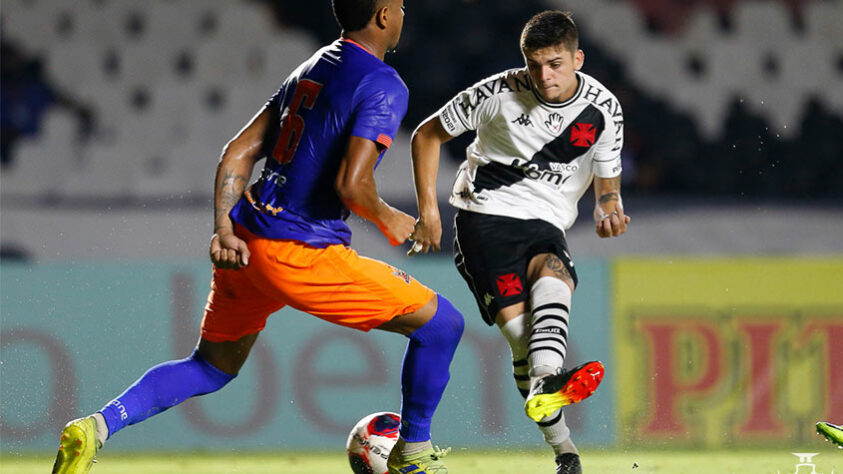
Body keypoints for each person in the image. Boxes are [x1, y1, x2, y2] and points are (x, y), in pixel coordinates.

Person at [51, 1, 463, 473]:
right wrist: (389, 216)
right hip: (300, 250)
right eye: (402, 5)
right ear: (385, 15)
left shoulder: (312, 67)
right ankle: (412, 456)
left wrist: (223, 229)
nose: (405, 14)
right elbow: (353, 184)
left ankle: (97, 426)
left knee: (211, 366)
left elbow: (238, 152)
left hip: (245, 238)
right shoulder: (384, 83)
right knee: (443, 325)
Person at [407, 10, 628, 474]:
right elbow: (426, 135)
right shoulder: (496, 93)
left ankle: (560, 432)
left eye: (555, 64)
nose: (544, 75)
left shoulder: (604, 110)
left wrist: (608, 207)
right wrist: (429, 212)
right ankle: (564, 444)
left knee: (555, 276)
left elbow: (608, 186)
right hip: (483, 218)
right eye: (534, 65)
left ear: (578, 59)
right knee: (523, 340)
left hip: (547, 222)